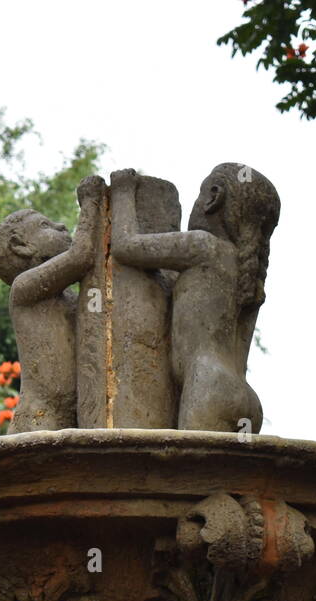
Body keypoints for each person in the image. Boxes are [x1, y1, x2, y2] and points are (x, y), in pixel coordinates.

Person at [111, 163, 279, 433]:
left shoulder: (203, 245)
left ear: (213, 197)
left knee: (189, 474)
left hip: (207, 387)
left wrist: (122, 190)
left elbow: (125, 246)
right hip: (247, 398)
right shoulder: (251, 277)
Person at [0, 176, 104, 433]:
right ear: (20, 246)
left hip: (74, 418)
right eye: (45, 225)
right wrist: (89, 201)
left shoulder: (72, 300)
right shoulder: (24, 289)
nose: (62, 226)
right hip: (38, 417)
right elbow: (82, 256)